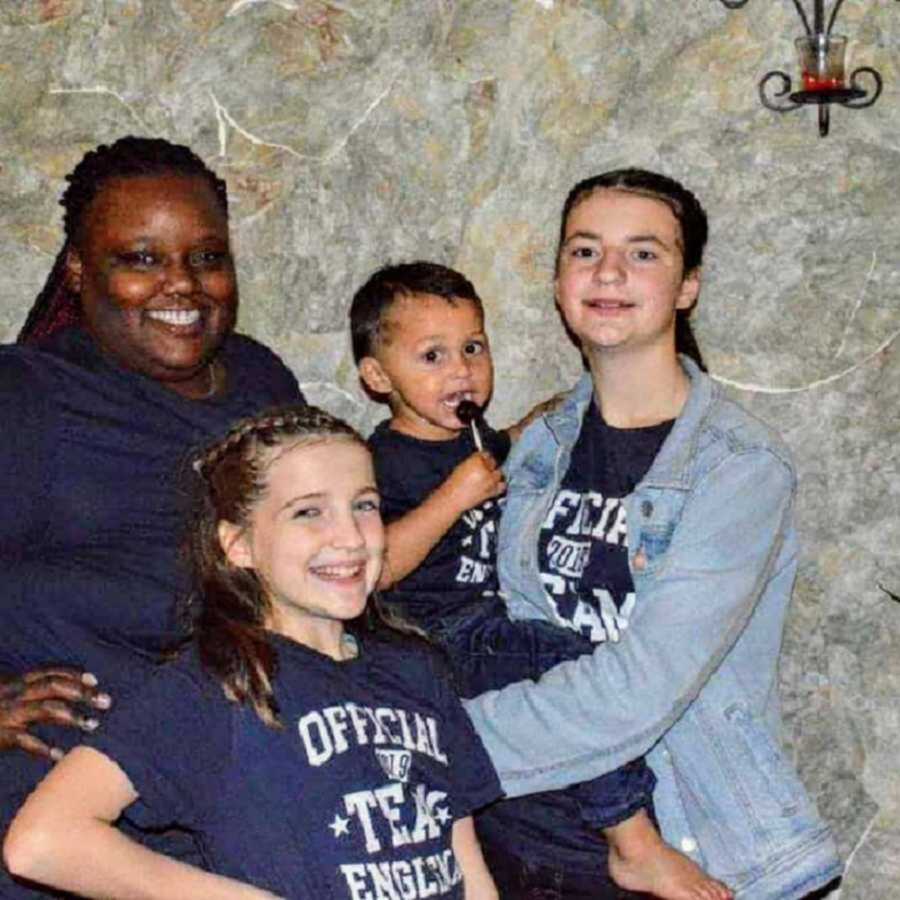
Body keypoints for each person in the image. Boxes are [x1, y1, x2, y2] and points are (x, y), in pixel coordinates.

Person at [458, 169, 843, 899]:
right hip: (522, 832)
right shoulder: (535, 448)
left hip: (677, 843)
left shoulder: (739, 468)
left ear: (687, 285)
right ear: (558, 280)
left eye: (643, 253)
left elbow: (641, 689)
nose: (608, 272)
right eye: (584, 251)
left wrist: (439, 742)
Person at [4, 404, 501, 899]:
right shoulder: (218, 682)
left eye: (365, 505)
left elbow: (466, 864)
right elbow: (43, 841)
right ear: (239, 545)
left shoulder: (416, 669)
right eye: (309, 512)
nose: (350, 537)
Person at [350, 261, 731, 900]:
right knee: (575, 665)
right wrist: (454, 496)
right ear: (377, 376)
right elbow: (374, 568)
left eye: (473, 348)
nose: (462, 370)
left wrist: (540, 424)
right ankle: (631, 841)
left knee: (573, 669)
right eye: (433, 355)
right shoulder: (379, 460)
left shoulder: (473, 441)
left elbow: (508, 449)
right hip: (431, 641)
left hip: (488, 627)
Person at [0, 136, 303, 895]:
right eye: (140, 259)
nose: (184, 286)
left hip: (232, 773)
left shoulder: (262, 380)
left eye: (207, 257)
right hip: (67, 803)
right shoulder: (27, 398)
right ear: (77, 270)